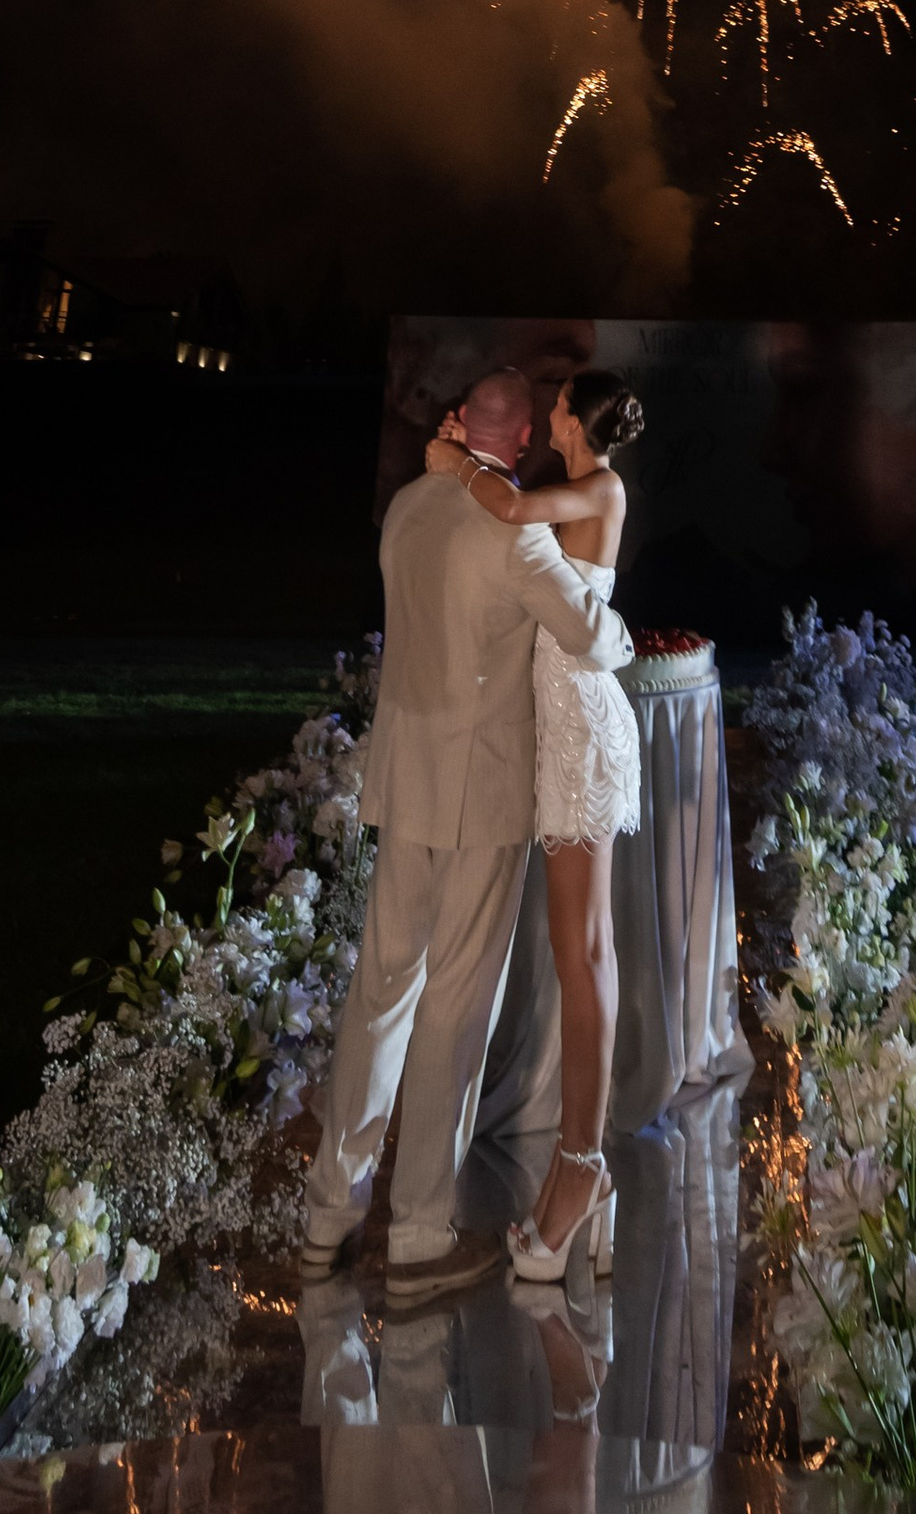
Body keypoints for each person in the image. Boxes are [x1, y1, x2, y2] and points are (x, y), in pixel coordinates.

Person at [302, 364, 633, 1310]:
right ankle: (415, 1236)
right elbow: (591, 638)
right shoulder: (514, 529)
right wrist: (620, 637)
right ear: (525, 433)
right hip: (482, 797)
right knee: (455, 1008)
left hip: (405, 783)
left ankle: (330, 1212)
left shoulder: (407, 506)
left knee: (380, 991)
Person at [423, 365, 644, 1279]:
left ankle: (580, 1174)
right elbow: (516, 514)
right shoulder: (576, 486)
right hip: (565, 735)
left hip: (582, 732)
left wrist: (449, 461)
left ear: (571, 420)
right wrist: (474, 469)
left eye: (557, 404)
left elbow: (513, 516)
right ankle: (581, 1176)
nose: (550, 413)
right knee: (580, 955)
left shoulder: (599, 486)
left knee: (582, 956)